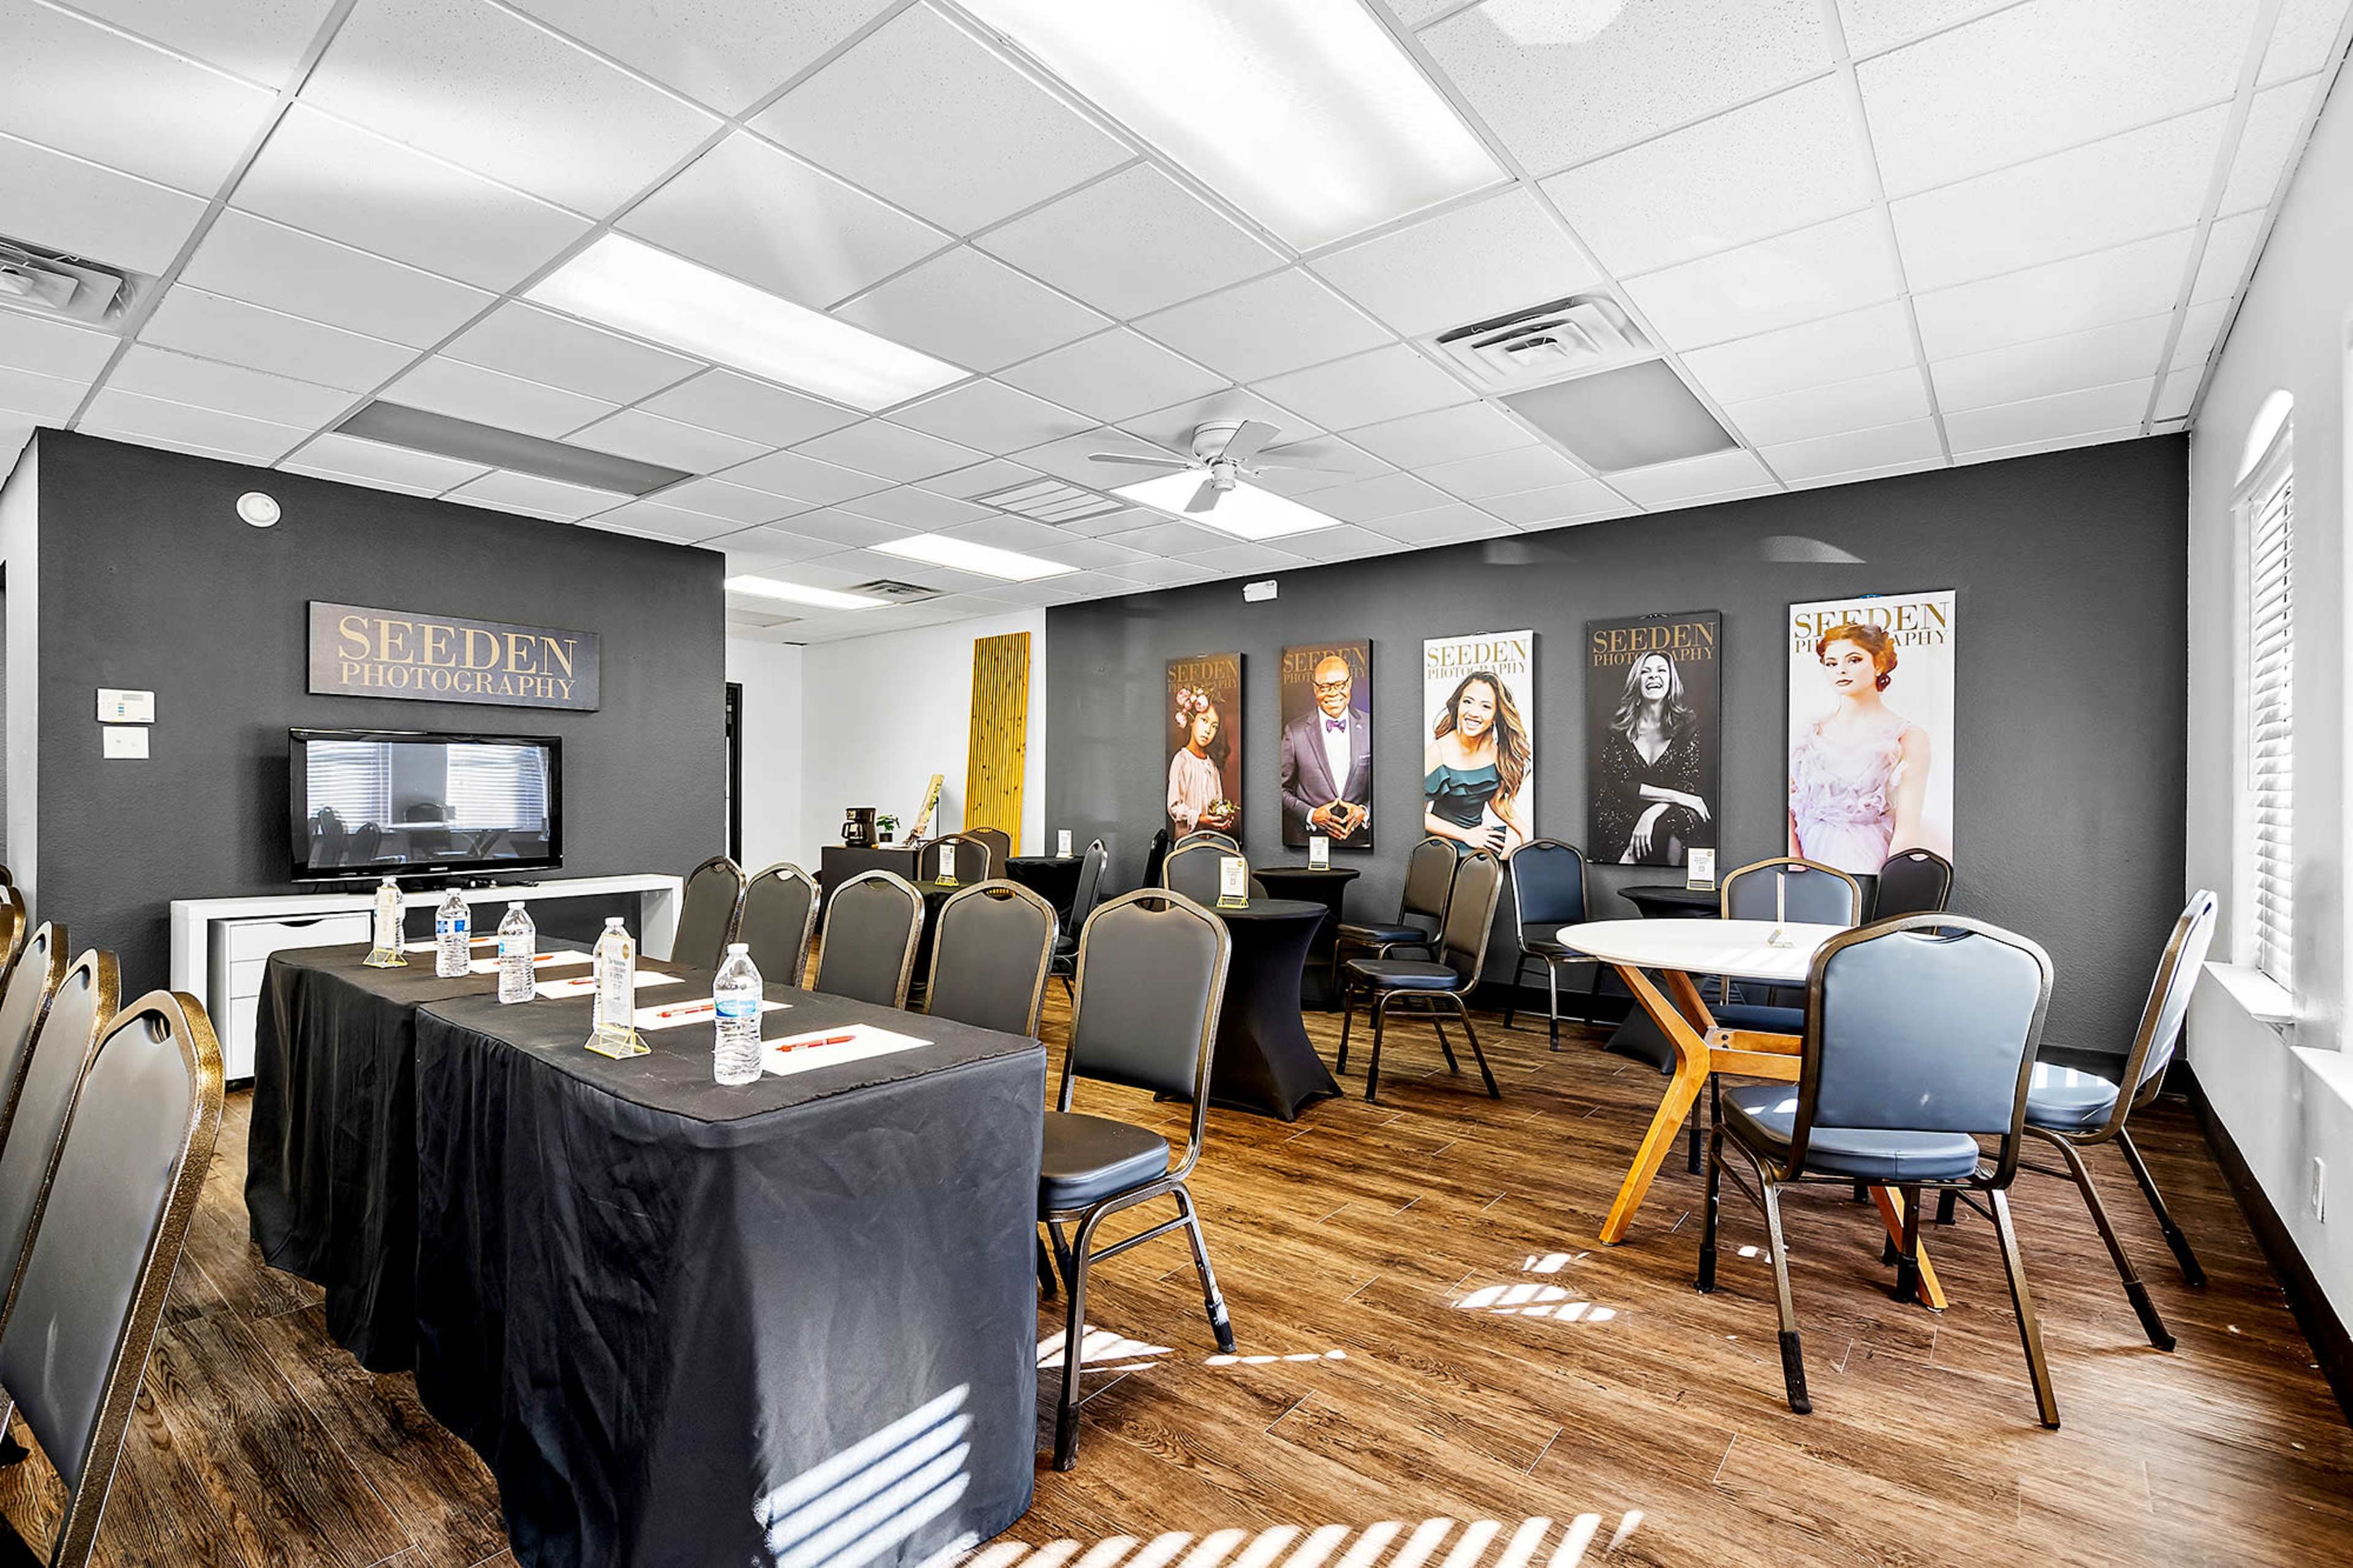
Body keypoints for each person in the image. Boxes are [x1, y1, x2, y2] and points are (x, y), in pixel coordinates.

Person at [1789, 621, 1929, 873]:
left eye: (1853, 660)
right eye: (1831, 663)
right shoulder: (1808, 733)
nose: (1841, 670)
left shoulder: (1908, 736)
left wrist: (1890, 889)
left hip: (1868, 859)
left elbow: (1907, 830)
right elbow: (1784, 806)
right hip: (1807, 861)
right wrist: (1794, 864)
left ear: (1878, 664)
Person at [1595, 650, 1713, 864]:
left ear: (1671, 680)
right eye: (1646, 672)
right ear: (1636, 682)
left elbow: (1687, 785)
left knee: (1685, 818)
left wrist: (1650, 814)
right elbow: (1618, 784)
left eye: (1661, 670)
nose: (1654, 676)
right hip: (1620, 811)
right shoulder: (1617, 729)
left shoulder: (1688, 727)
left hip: (1666, 815)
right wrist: (1677, 796)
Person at [1423, 669, 1531, 855]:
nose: (1474, 713)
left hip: (1476, 838)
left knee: (1518, 841)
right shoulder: (1437, 752)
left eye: (1485, 707)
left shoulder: (1496, 752)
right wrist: (1465, 835)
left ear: (1496, 715)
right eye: (1468, 702)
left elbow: (1497, 801)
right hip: (1443, 842)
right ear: (1458, 705)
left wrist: (1527, 833)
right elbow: (1416, 816)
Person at [1280, 654, 1371, 845]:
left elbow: (1388, 789)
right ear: (1315, 689)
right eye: (1325, 687)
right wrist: (1311, 815)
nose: (1333, 693)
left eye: (1340, 685)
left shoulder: (1372, 726)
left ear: (1350, 684)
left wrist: (1365, 811)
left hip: (1363, 845)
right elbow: (1279, 791)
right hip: (1309, 845)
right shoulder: (1294, 732)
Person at [1167, 689, 1238, 834]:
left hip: (1211, 842)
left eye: (1214, 727)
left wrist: (1221, 817)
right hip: (1187, 843)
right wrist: (1199, 818)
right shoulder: (1182, 760)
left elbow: (1217, 802)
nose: (1208, 731)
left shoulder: (1211, 765)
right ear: (1192, 721)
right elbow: (1174, 807)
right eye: (1204, 721)